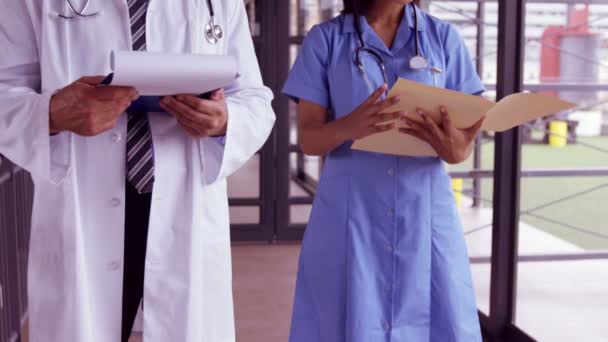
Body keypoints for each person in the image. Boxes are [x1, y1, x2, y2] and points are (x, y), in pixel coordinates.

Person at [0, 1, 275, 341]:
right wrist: (53, 111)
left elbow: (255, 99)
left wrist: (225, 119)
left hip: (182, 207)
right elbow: (4, 90)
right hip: (82, 209)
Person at [282, 0, 485, 341]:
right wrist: (350, 126)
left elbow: (463, 144)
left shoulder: (443, 38)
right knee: (344, 319)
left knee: (438, 320)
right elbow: (309, 140)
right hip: (351, 216)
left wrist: (454, 149)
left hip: (424, 213)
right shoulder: (325, 40)